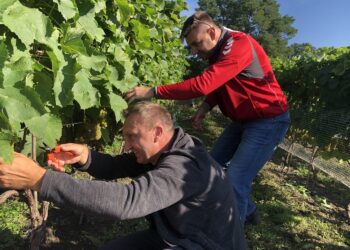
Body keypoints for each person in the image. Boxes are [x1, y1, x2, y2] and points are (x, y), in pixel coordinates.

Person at [0, 101, 247, 250]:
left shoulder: (185, 167)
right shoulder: (164, 150)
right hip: (176, 235)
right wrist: (86, 156)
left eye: (132, 136)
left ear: (157, 132)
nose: (126, 145)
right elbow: (119, 166)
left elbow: (125, 202)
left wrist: (41, 180)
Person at [126, 11, 290, 225]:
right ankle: (248, 212)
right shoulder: (218, 53)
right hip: (243, 121)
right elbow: (220, 85)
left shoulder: (238, 45)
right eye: (191, 46)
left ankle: (231, 237)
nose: (194, 51)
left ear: (212, 32)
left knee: (235, 179)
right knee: (212, 165)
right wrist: (205, 107)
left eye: (196, 43)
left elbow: (204, 84)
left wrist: (154, 90)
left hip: (268, 121)